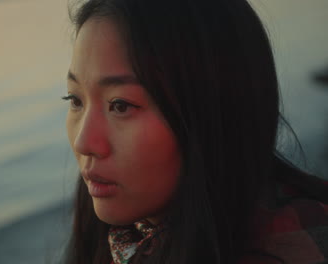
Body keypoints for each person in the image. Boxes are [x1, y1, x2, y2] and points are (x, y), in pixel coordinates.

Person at [60, 0, 328, 263]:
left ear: (215, 110)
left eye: (120, 105)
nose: (84, 142)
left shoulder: (294, 244)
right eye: (75, 100)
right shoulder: (128, 236)